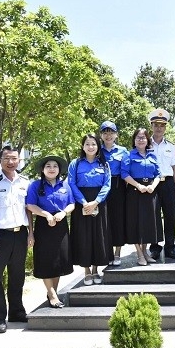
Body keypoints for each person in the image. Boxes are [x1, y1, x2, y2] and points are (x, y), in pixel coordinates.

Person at [0, 146, 34, 334]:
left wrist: (30, 233)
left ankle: (17, 312)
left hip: (20, 234)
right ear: (1, 160)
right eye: (6, 158)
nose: (10, 162)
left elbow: (29, 209)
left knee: (17, 276)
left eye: (14, 158)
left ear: (19, 160)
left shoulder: (25, 182)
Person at [25, 155, 74, 309]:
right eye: (48, 166)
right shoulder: (35, 185)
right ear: (43, 169)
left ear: (59, 170)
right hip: (43, 225)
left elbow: (72, 203)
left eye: (55, 166)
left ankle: (54, 290)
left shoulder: (65, 186)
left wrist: (64, 212)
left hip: (60, 225)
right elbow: (30, 205)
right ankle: (51, 294)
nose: (52, 169)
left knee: (59, 259)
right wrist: (46, 214)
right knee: (46, 259)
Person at [68, 133, 113, 286]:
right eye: (87, 144)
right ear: (83, 146)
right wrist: (83, 202)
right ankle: (86, 271)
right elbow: (72, 183)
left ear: (98, 146)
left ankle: (95, 269)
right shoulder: (75, 163)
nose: (90, 147)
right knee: (84, 237)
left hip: (99, 202)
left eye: (93, 144)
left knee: (98, 236)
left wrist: (96, 201)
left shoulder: (104, 163)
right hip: (82, 203)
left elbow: (107, 184)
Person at [122, 128, 162, 266]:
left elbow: (158, 174)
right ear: (134, 140)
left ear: (147, 140)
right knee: (135, 224)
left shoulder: (152, 156)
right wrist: (139, 186)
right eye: (138, 137)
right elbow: (124, 174)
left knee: (147, 224)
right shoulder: (129, 155)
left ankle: (145, 252)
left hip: (150, 192)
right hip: (134, 192)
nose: (141, 140)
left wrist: (153, 186)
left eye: (143, 137)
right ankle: (139, 254)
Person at [148, 108, 175, 260]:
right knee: (153, 217)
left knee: (170, 216)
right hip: (151, 185)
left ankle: (170, 248)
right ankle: (154, 248)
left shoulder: (171, 146)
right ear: (151, 126)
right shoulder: (146, 145)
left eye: (162, 125)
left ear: (165, 127)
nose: (159, 128)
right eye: (156, 125)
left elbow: (174, 168)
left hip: (167, 183)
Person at [100, 120, 129, 266]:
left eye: (111, 133)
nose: (108, 136)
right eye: (105, 133)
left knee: (118, 220)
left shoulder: (123, 151)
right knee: (104, 221)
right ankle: (107, 253)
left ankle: (117, 253)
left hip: (118, 187)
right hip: (101, 188)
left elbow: (126, 171)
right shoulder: (97, 150)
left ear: (116, 135)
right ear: (101, 135)